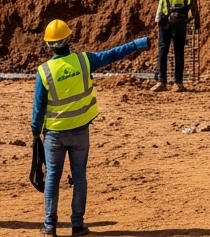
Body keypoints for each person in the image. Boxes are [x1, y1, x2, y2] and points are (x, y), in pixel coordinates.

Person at [32, 19, 149, 236]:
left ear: (49, 45)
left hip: (54, 135)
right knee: (79, 176)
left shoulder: (44, 71)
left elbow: (39, 106)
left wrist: (34, 129)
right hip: (80, 132)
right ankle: (77, 225)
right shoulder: (84, 61)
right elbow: (112, 54)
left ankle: (49, 226)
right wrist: (137, 44)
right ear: (69, 38)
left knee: (52, 178)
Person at [153, 0, 200, 92]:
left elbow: (161, 0)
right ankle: (178, 83)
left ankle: (162, 81)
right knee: (179, 51)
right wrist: (197, 19)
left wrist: (158, 18)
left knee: (163, 51)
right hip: (181, 20)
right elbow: (193, 2)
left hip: (165, 19)